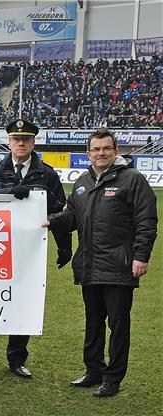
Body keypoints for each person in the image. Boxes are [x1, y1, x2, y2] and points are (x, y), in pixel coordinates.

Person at [46, 130, 157, 397]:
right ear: (88, 154)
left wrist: (141, 256)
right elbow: (71, 217)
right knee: (93, 322)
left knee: (118, 325)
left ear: (116, 151)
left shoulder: (132, 179)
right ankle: (93, 370)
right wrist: (49, 220)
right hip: (89, 265)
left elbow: (146, 221)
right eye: (95, 149)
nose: (101, 153)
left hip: (119, 266)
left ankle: (113, 378)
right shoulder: (82, 182)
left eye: (106, 148)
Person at [0, 118, 71, 379]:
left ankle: (17, 360)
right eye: (16, 139)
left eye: (26, 139)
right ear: (9, 142)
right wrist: (11, 191)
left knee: (23, 303)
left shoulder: (47, 174)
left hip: (28, 254)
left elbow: (60, 212)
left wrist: (64, 247)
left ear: (33, 143)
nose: (21, 143)